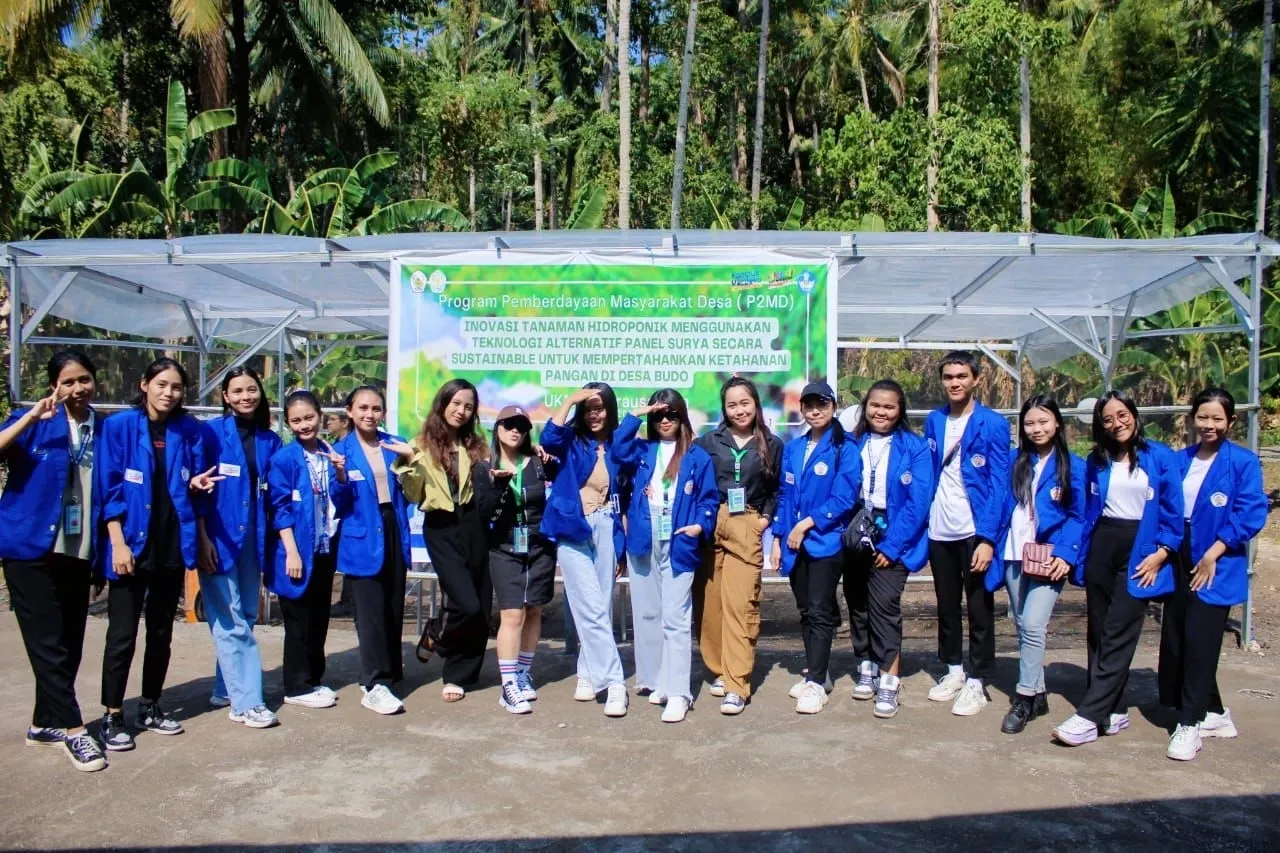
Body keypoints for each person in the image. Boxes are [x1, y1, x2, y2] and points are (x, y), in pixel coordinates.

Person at [97, 357, 219, 751]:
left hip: (171, 546)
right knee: (122, 635)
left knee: (161, 633)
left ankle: (150, 705)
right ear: (144, 384)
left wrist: (197, 489)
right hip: (131, 546)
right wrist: (117, 542)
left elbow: (197, 486)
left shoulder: (189, 431)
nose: (169, 393)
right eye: (162, 384)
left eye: (177, 387)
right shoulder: (119, 427)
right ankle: (112, 714)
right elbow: (108, 488)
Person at [1052, 391, 1183, 747]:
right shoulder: (1097, 460)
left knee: (1120, 630)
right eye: (1108, 419)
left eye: (1122, 415)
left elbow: (1173, 512)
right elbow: (1086, 509)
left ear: (1134, 415)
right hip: (1103, 544)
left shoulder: (1160, 457)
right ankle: (1115, 707)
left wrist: (1162, 553)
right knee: (1098, 630)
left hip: (1140, 548)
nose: (1116, 423)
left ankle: (1089, 715)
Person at [0, 350, 107, 772]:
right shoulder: (35, 423)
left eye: (84, 379)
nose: (78, 388)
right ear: (54, 387)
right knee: (47, 645)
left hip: (77, 549)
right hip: (29, 548)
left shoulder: (103, 428)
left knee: (70, 642)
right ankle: (74, 731)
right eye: (68, 382)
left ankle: (45, 724)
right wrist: (28, 419)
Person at [1158, 388, 1267, 760]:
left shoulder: (1243, 462)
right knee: (1178, 639)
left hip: (1216, 559)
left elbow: (1252, 513)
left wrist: (1213, 553)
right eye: (1203, 417)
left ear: (1230, 422)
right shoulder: (1178, 460)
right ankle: (1217, 714)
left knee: (1200, 642)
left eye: (1217, 418)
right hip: (1180, 554)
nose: (1209, 425)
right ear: (1192, 419)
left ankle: (1191, 725)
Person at [614, 390, 719, 723]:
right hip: (644, 539)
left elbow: (709, 499)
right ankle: (657, 679)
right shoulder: (643, 450)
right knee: (648, 615)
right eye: (658, 416)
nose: (664, 421)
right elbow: (617, 449)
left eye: (671, 415)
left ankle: (679, 692)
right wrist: (637, 412)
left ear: (682, 417)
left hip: (679, 539)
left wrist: (699, 527)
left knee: (675, 617)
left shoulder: (697, 455)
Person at [386, 379, 491, 705]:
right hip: (442, 527)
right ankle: (438, 635)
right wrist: (409, 461)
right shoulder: (420, 444)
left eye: (468, 406)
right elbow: (413, 494)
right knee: (465, 603)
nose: (461, 411)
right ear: (443, 404)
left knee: (482, 607)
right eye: (456, 403)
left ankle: (462, 674)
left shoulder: (478, 444)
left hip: (475, 526)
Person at [990, 396, 1086, 735]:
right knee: (1020, 623)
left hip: (1049, 557)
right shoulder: (1018, 463)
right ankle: (1040, 692)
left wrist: (1066, 554)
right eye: (1030, 423)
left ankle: (1024, 697)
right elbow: (1003, 505)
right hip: (1015, 553)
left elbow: (1079, 516)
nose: (1037, 429)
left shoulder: (1072, 466)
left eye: (1043, 421)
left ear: (1057, 423)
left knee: (1032, 623)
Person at [924, 351, 1012, 717]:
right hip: (940, 529)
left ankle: (978, 679)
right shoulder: (934, 420)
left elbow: (999, 483)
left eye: (961, 376)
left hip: (974, 529)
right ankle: (954, 670)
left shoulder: (992, 423)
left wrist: (988, 537)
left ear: (976, 379)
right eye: (948, 376)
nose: (955, 382)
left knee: (978, 606)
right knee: (946, 605)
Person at [843, 380, 933, 720]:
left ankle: (889, 678)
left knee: (884, 605)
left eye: (889, 407)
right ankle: (865, 663)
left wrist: (893, 546)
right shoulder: (852, 442)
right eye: (875, 405)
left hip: (894, 531)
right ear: (866, 406)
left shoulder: (915, 447)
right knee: (857, 601)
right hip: (856, 529)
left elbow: (919, 501)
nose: (881, 412)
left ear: (900, 411)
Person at [694, 377, 783, 715]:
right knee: (709, 605)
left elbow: (776, 490)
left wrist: (763, 521)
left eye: (745, 403)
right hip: (711, 521)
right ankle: (718, 669)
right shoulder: (707, 442)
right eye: (732, 405)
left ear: (756, 404)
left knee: (741, 603)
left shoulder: (771, 444)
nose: (739, 410)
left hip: (747, 521)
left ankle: (737, 683)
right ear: (724, 409)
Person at [539, 383, 630, 717]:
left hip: (607, 526)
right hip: (573, 528)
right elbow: (549, 439)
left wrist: (621, 546)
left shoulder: (617, 444)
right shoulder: (571, 442)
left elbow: (625, 494)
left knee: (600, 605)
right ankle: (614, 682)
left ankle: (587, 672)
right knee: (588, 605)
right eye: (589, 408)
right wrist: (569, 400)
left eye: (601, 408)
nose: (595, 414)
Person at [198, 367, 281, 729]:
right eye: (237, 391)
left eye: (252, 389)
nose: (246, 396)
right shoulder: (209, 435)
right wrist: (201, 538)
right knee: (229, 617)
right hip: (217, 536)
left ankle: (225, 687)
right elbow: (195, 491)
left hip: (253, 538)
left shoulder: (270, 439)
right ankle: (246, 703)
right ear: (225, 397)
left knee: (245, 613)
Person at [771, 381, 860, 715]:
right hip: (794, 545)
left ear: (833, 407)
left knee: (821, 610)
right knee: (806, 609)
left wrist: (807, 523)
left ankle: (818, 680)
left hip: (825, 541)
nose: (815, 411)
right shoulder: (794, 448)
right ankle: (815, 673)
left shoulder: (844, 448)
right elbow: (784, 495)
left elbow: (844, 499)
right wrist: (779, 538)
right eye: (809, 405)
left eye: (822, 404)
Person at [330, 386, 413, 715]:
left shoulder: (394, 444)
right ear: (350, 411)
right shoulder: (341, 451)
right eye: (362, 408)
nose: (369, 414)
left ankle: (391, 673)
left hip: (393, 526)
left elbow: (412, 491)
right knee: (370, 611)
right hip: (362, 532)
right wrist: (338, 476)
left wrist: (412, 459)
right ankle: (373, 682)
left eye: (376, 408)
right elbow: (340, 503)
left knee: (393, 604)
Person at [474, 405, 557, 714]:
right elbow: (482, 514)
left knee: (534, 610)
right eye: (508, 424)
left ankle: (523, 673)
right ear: (497, 429)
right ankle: (507, 685)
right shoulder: (484, 467)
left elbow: (558, 487)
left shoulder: (539, 463)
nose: (515, 430)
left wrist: (549, 460)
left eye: (521, 426)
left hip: (539, 545)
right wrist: (496, 487)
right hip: (504, 546)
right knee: (512, 615)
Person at [267, 391, 343, 710]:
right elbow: (279, 507)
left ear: (320, 416)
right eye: (296, 420)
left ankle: (314, 678)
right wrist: (292, 551)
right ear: (288, 422)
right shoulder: (285, 459)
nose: (304, 425)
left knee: (319, 617)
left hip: (324, 548)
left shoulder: (330, 453)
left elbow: (342, 497)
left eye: (309, 418)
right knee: (297, 620)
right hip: (296, 552)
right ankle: (296, 686)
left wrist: (340, 471)